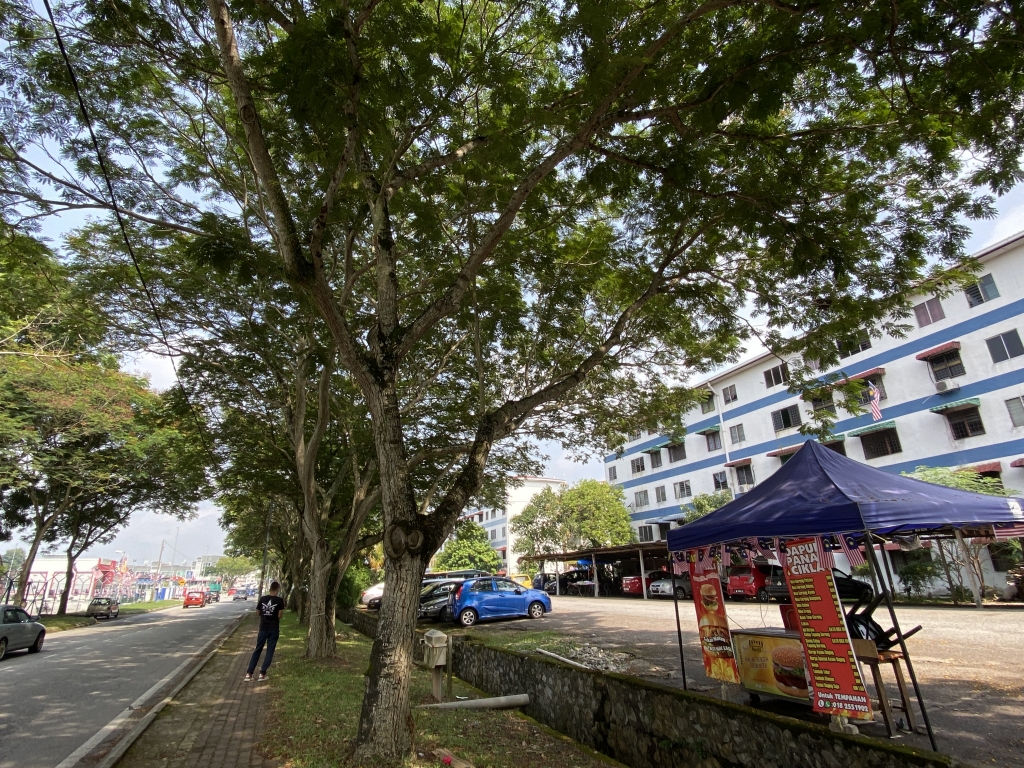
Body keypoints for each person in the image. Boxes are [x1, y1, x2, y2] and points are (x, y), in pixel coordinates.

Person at [245, 581, 285, 682]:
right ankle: (262, 674)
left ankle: (249, 674)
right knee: (269, 651)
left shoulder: (262, 599)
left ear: (270, 589)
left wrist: (265, 613)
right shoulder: (279, 600)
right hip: (274, 629)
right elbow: (280, 615)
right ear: (277, 589)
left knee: (257, 649)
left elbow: (257, 613)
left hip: (263, 628)